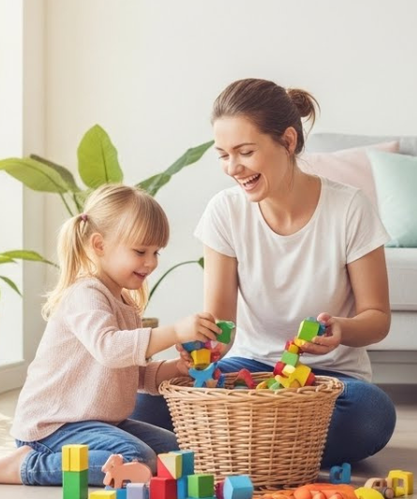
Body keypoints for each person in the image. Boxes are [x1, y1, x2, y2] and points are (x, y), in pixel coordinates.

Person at [132, 78, 396, 466]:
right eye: (223, 155)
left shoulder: (349, 208)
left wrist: (342, 329)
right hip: (250, 370)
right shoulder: (225, 211)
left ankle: (236, 443)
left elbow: (378, 318)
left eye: (245, 152)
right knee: (141, 403)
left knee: (370, 416)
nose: (233, 168)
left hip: (331, 380)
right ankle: (278, 445)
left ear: (288, 142)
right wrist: (197, 351)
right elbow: (223, 326)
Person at [0, 184, 219, 486]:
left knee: (176, 453)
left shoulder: (126, 303)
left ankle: (45, 462)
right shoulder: (86, 294)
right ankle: (27, 466)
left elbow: (133, 373)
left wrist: (176, 369)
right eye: (140, 251)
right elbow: (110, 350)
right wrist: (175, 331)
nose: (151, 262)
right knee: (137, 460)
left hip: (99, 423)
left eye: (156, 252)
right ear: (99, 245)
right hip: (55, 426)